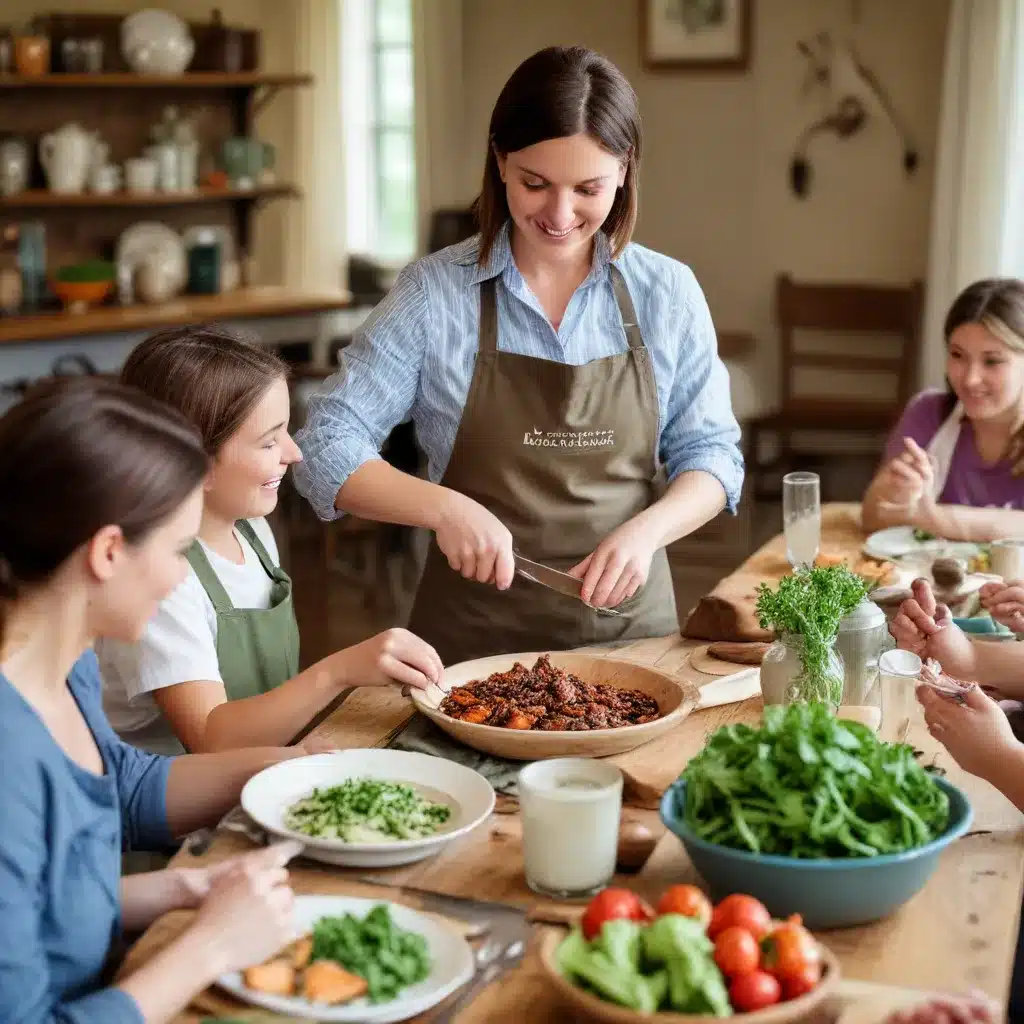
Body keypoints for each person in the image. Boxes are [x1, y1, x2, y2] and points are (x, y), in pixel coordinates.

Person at [294, 45, 744, 665]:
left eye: (588, 189)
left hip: (633, 647)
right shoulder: (434, 294)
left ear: (624, 171)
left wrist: (648, 532)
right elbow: (323, 444)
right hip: (468, 656)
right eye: (535, 184)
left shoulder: (667, 293)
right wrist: (444, 509)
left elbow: (712, 456)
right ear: (501, 162)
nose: (559, 216)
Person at [0, 376, 317, 1023]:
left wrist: (295, 771)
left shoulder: (65, 661)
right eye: (179, 549)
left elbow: (117, 788)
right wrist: (208, 947)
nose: (182, 574)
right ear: (108, 552)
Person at [98, 325, 443, 755]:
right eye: (268, 441)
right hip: (173, 811)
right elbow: (208, 736)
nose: (294, 453)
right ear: (191, 460)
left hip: (258, 772)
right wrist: (337, 672)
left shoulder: (251, 530)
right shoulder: (160, 581)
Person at [863, 278, 1024, 541]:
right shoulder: (930, 412)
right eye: (958, 355)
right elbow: (871, 515)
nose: (970, 379)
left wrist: (928, 517)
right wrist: (899, 494)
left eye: (992, 361)